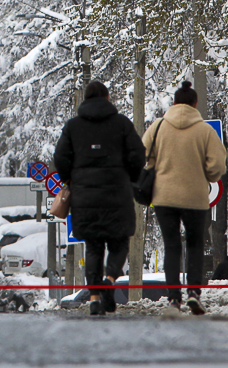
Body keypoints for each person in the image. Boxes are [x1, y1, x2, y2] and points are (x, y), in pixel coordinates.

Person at [54, 80, 145, 317]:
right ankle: (110, 277)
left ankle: (94, 298)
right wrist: (131, 178)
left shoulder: (73, 127)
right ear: (107, 98)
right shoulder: (122, 124)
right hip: (117, 192)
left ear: (85, 99)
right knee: (120, 241)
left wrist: (70, 179)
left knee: (93, 246)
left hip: (85, 195)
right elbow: (137, 154)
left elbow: (60, 157)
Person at [143, 81, 228, 315]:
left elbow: (144, 156)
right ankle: (193, 293)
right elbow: (217, 165)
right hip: (195, 197)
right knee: (194, 245)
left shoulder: (158, 127)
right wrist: (207, 175)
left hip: (163, 197)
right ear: (195, 104)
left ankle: (173, 298)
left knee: (171, 246)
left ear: (174, 103)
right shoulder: (205, 131)